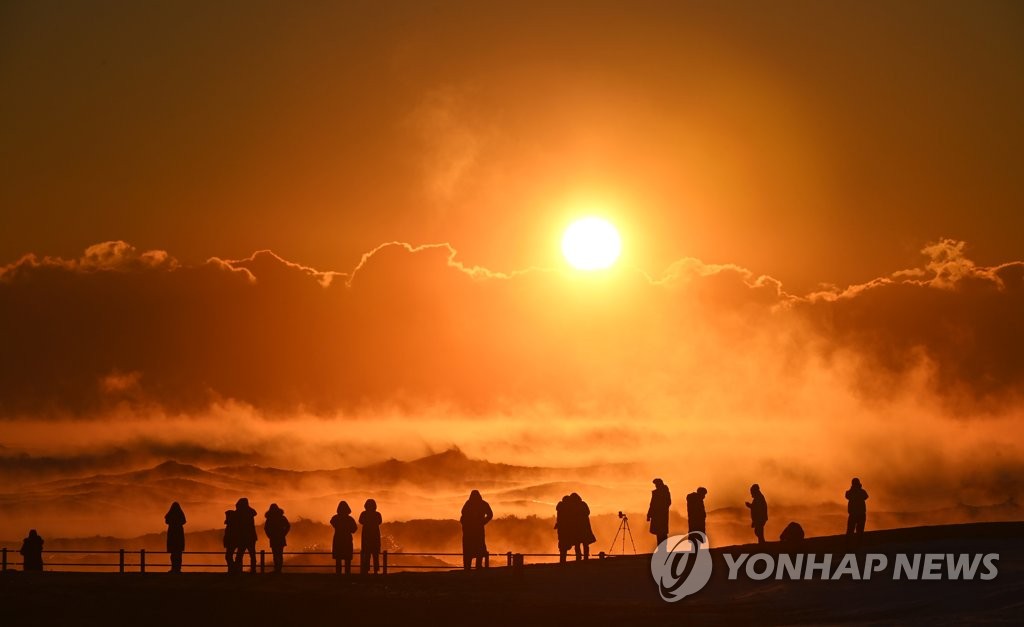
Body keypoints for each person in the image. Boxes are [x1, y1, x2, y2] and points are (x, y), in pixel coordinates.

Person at [460, 490, 493, 570]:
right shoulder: (475, 504)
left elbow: (490, 514)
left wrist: (482, 522)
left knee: (478, 548)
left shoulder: (470, 503)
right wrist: (482, 522)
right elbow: (463, 515)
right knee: (474, 549)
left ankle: (473, 566)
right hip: (471, 531)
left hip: (474, 531)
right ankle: (469, 567)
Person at [330, 501, 358, 574]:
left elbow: (332, 522)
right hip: (347, 540)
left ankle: (338, 576)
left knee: (338, 560)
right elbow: (354, 529)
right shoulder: (350, 519)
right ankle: (347, 576)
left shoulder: (335, 518)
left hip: (338, 539)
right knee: (347, 560)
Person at [233, 498, 258, 574]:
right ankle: (253, 570)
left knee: (239, 555)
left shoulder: (238, 512)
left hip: (242, 537)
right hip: (251, 536)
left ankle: (238, 570)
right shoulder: (250, 512)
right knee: (252, 554)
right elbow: (254, 512)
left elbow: (236, 525)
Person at [264, 503, 291, 574]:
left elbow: (266, 529)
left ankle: (277, 569)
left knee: (275, 554)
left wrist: (269, 535)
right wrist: (284, 533)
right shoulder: (282, 517)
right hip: (281, 538)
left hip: (273, 538)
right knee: (280, 554)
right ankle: (279, 569)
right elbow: (288, 526)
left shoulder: (269, 518)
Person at [358, 499, 383, 574]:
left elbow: (360, 521)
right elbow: (380, 521)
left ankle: (366, 570)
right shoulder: (377, 514)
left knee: (367, 554)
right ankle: (376, 570)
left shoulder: (364, 514)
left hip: (366, 536)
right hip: (375, 535)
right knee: (375, 555)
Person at [570, 493, 596, 560]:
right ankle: (585, 557)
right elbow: (588, 512)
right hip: (584, 527)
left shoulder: (573, 506)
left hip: (577, 528)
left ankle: (579, 557)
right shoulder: (583, 504)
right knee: (585, 544)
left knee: (577, 544)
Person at [646, 478, 671, 547]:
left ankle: (662, 549)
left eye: (656, 484)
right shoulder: (663, 492)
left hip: (660, 516)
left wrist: (650, 515)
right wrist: (649, 515)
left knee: (661, 533)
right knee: (660, 533)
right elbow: (652, 504)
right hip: (659, 515)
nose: (655, 486)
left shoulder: (662, 492)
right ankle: (661, 548)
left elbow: (653, 504)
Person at [164, 502, 187, 572]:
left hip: (172, 536)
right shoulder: (180, 516)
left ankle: (174, 568)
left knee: (173, 554)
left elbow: (166, 520)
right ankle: (178, 568)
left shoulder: (170, 516)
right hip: (179, 536)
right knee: (178, 554)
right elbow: (184, 521)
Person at [223, 508, 239, 573]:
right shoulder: (233, 524)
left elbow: (229, 535)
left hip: (231, 542)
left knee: (228, 556)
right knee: (229, 556)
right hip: (231, 542)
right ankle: (233, 569)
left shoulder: (231, 525)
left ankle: (232, 569)